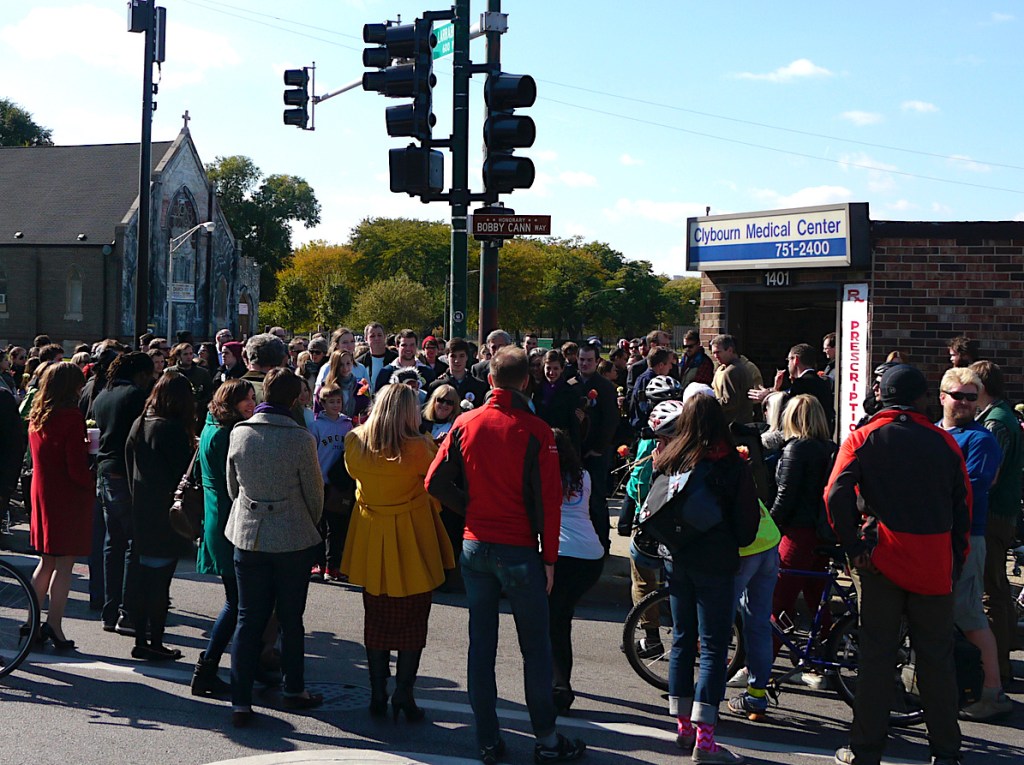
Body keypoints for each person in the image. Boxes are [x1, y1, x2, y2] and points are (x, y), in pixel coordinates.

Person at [426, 347, 585, 765]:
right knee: (535, 648)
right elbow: (549, 503)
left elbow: (434, 482)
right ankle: (547, 741)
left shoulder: (465, 421)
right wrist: (549, 558)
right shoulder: (536, 430)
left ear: (490, 380)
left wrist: (471, 507)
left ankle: (488, 740)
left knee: (482, 644)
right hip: (518, 547)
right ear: (526, 382)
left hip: (476, 543)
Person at [826, 364, 969, 765]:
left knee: (876, 658)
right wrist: (955, 561)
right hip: (933, 560)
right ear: (923, 397)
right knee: (936, 662)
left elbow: (834, 494)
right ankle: (946, 752)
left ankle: (865, 749)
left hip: (881, 560)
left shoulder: (863, 437)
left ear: (883, 397)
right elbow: (964, 508)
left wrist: (852, 544)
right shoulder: (944, 442)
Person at [649, 394, 759, 763]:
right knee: (713, 647)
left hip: (677, 558)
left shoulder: (670, 458)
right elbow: (746, 530)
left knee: (681, 640)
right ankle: (706, 739)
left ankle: (682, 728)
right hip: (716, 562)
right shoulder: (731, 464)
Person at [339, 384, 454, 720]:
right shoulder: (420, 447)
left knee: (375, 616)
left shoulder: (355, 440)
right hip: (412, 535)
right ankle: (403, 694)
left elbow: (354, 476)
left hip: (372, 533)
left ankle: (378, 693)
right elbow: (436, 482)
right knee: (414, 618)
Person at [225, 367, 325, 726]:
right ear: (295, 397)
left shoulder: (240, 433)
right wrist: (306, 523)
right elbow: (315, 496)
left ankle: (240, 700)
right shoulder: (300, 439)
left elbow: (232, 487)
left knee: (248, 618)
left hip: (249, 533)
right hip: (292, 536)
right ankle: (294, 688)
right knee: (290, 618)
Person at [935, 367, 1011, 720]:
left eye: (971, 397)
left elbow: (974, 485)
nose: (964, 403)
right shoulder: (935, 434)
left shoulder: (981, 440)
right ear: (943, 396)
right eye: (958, 396)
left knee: (970, 615)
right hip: (937, 537)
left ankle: (992, 693)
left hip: (968, 537)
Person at [762, 395, 835, 691]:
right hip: (821, 532)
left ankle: (761, 663)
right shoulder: (829, 448)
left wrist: (767, 524)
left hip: (796, 533)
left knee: (778, 597)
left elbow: (786, 495)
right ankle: (820, 661)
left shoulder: (795, 449)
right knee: (818, 599)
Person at [191, 378, 256, 698]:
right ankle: (207, 667)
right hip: (228, 520)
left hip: (216, 517)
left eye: (253, 397)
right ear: (231, 400)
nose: (251, 403)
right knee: (237, 601)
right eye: (246, 398)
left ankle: (211, 667)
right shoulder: (229, 433)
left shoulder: (210, 426)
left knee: (237, 599)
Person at [124, 372, 195, 661]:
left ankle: (142, 638)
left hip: (141, 508)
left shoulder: (140, 423)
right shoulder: (173, 429)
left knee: (144, 580)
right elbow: (182, 474)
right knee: (160, 584)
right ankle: (154, 642)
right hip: (165, 514)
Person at [27, 362, 94, 650]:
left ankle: (31, 622)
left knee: (46, 561)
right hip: (66, 494)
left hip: (42, 489)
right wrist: (93, 479)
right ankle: (54, 625)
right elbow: (75, 467)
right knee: (65, 563)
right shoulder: (71, 417)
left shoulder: (37, 415)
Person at [92, 352, 156, 635]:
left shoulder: (103, 395)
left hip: (104, 471)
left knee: (112, 542)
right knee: (134, 543)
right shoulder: (134, 396)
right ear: (140, 373)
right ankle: (127, 612)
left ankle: (109, 609)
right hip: (125, 473)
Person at [970, 360, 1023, 690]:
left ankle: (997, 667)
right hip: (1003, 512)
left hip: (994, 515)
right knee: (998, 590)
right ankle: (1000, 662)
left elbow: (991, 474)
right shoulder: (1002, 416)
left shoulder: (996, 422)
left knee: (991, 591)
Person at [548, 428, 605, 715]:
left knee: (554, 623)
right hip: (590, 555)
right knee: (560, 618)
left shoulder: (543, 475)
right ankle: (558, 683)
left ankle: (560, 689)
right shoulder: (584, 476)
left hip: (560, 555)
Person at [574, 342, 619, 552]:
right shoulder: (572, 382)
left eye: (589, 360)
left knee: (597, 499)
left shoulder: (605, 387)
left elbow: (611, 421)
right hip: (575, 450)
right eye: (581, 359)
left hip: (596, 452)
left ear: (597, 361)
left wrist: (599, 448)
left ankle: (603, 544)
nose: (585, 364)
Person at [310, 383, 354, 582]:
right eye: (331, 402)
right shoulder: (316, 425)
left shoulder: (347, 424)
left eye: (338, 401)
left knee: (337, 527)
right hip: (321, 481)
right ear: (322, 403)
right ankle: (318, 563)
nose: (336, 405)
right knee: (320, 525)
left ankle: (333, 565)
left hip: (340, 484)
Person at [533, 349, 583, 451]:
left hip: (562, 444)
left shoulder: (571, 392)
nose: (551, 372)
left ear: (562, 368)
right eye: (548, 368)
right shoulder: (536, 391)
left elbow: (574, 428)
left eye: (556, 368)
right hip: (540, 442)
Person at [427, 338, 489, 409]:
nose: (457, 361)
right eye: (453, 356)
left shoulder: (479, 386)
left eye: (461, 356)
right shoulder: (436, 386)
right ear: (447, 357)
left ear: (467, 357)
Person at [710, 334, 753, 425]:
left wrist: (708, 402)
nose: (715, 356)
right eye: (714, 353)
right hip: (743, 423)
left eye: (718, 352)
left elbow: (729, 402)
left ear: (730, 350)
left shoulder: (731, 371)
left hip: (734, 425)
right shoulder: (741, 367)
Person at [166, 342, 213, 423]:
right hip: (175, 413)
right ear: (178, 356)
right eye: (185, 354)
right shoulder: (169, 372)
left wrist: (199, 404)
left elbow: (209, 393)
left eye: (191, 354)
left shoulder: (202, 373)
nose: (189, 357)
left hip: (197, 413)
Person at [355, 322, 397, 393]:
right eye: (372, 336)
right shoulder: (360, 363)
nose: (376, 338)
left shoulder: (396, 359)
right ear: (366, 339)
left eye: (379, 335)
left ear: (384, 337)